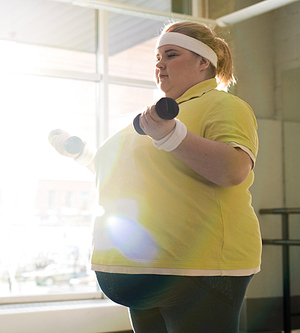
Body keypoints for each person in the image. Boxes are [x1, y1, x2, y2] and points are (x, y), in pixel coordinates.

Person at [50, 21, 260, 333]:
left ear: (204, 62)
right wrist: (79, 154)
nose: (160, 63)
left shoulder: (223, 104)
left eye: (171, 54)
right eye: (157, 57)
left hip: (197, 269)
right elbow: (126, 176)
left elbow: (233, 169)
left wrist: (172, 135)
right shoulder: (154, 117)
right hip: (144, 269)